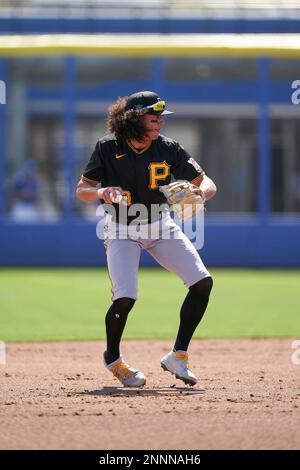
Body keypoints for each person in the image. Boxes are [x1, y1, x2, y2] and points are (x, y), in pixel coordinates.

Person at [76, 91, 217, 387]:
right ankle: (114, 360)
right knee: (125, 298)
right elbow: (81, 190)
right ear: (133, 118)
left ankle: (177, 356)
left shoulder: (168, 148)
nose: (160, 123)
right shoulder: (107, 147)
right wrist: (101, 192)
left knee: (202, 282)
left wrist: (200, 193)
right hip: (121, 229)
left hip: (160, 225)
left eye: (160, 119)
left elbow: (206, 181)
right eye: (153, 118)